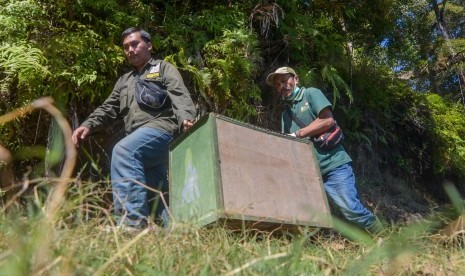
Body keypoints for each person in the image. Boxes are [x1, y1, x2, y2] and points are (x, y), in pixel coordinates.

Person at [72, 27, 196, 230]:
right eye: (126, 47)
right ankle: (174, 233)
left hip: (162, 129)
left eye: (135, 44)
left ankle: (132, 222)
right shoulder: (124, 81)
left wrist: (186, 118)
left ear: (149, 45)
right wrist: (88, 124)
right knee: (156, 190)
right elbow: (109, 108)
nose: (130, 49)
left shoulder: (163, 68)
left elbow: (179, 93)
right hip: (140, 138)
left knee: (124, 151)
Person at [266, 67, 384, 236]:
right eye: (278, 84)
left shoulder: (311, 94)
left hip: (333, 165)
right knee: (308, 214)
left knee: (351, 209)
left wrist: (299, 133)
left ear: (296, 79)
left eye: (285, 81)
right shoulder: (285, 114)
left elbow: (327, 120)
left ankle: (386, 240)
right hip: (308, 173)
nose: (282, 86)